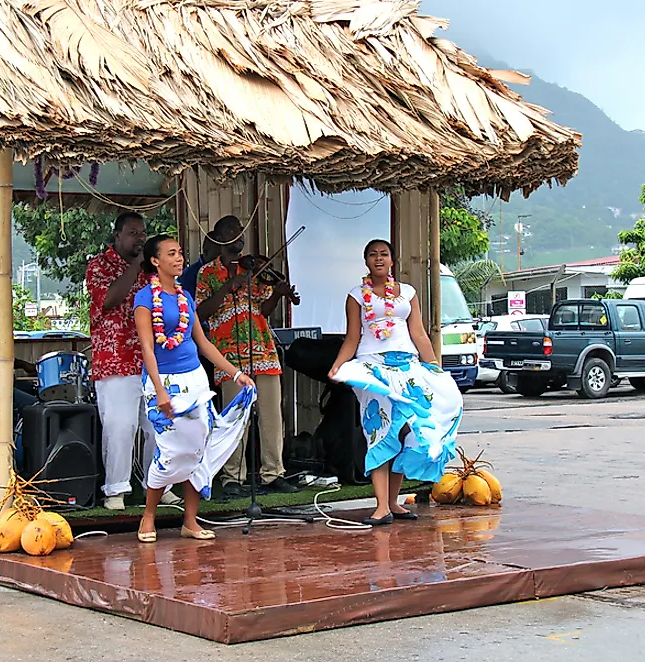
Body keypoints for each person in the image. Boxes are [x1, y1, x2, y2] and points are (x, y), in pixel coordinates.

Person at [327, 239, 463, 525]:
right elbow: (352, 337)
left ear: (392, 261)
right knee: (380, 430)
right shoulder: (356, 296)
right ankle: (380, 507)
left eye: (384, 254)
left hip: (407, 366)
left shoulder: (408, 293)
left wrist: (434, 367)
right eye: (373, 255)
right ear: (366, 262)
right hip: (373, 367)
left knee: (407, 430)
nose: (379, 259)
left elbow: (419, 333)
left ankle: (394, 503)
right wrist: (338, 365)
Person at [133, 235, 256, 542]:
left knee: (198, 450)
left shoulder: (186, 297)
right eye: (171, 254)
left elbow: (202, 343)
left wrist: (235, 372)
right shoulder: (145, 299)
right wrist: (160, 390)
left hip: (195, 380)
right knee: (172, 450)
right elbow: (148, 349)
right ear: (155, 261)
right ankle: (149, 515)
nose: (179, 258)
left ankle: (190, 520)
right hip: (164, 381)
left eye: (180, 253)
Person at [196, 216, 300, 497]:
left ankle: (273, 473)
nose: (238, 234)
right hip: (229, 357)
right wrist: (229, 286)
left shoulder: (253, 268)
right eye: (231, 230)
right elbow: (201, 313)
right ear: (218, 237)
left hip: (263, 353)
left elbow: (263, 312)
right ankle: (232, 477)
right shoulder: (207, 273)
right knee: (235, 418)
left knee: (271, 417)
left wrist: (277, 295)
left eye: (240, 230)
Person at [85, 212, 180, 510]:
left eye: (143, 234)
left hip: (151, 362)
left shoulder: (152, 273)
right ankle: (115, 491)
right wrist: (136, 266)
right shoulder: (99, 266)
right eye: (133, 233)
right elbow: (109, 300)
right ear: (117, 236)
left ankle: (159, 487)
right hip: (115, 361)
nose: (140, 238)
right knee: (120, 427)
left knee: (159, 427)